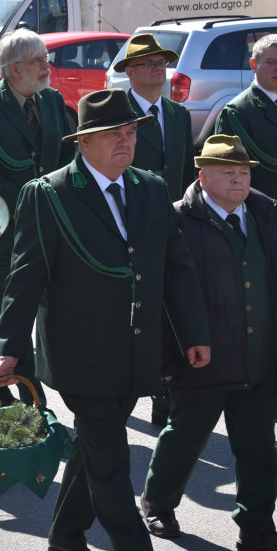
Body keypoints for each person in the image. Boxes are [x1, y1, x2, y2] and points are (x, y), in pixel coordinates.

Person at [0, 89, 211, 551]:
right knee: (112, 457)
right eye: (113, 134)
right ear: (84, 142)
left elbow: (177, 267)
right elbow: (26, 276)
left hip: (136, 350)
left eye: (130, 132)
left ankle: (66, 536)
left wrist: (195, 334)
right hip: (80, 355)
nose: (125, 141)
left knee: (95, 451)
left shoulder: (151, 188)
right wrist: (9, 345)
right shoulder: (49, 193)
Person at [141, 134, 277, 551]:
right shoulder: (177, 219)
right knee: (186, 436)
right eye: (227, 172)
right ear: (203, 177)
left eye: (244, 172)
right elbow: (161, 295)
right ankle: (158, 503)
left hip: (257, 355)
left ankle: (258, 529)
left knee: (259, 448)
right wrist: (166, 358)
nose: (238, 179)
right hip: (202, 358)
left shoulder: (262, 215)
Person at [0, 29, 75, 407]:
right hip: (1, 229)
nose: (47, 66)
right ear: (13, 69)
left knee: (21, 313)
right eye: (39, 60)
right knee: (14, 311)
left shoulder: (53, 100)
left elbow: (65, 161)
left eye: (46, 58)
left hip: (47, 225)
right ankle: (34, 404)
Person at [214, 34, 277, 417]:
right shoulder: (237, 112)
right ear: (254, 65)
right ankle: (265, 388)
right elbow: (230, 176)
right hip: (263, 226)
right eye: (272, 62)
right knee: (264, 313)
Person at [115, 33, 197, 427]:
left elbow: (184, 172)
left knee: (171, 307)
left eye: (161, 62)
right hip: (130, 224)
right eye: (148, 63)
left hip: (171, 223)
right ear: (130, 72)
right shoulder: (119, 112)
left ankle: (165, 393)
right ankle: (129, 389)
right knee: (137, 312)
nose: (157, 68)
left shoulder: (178, 114)